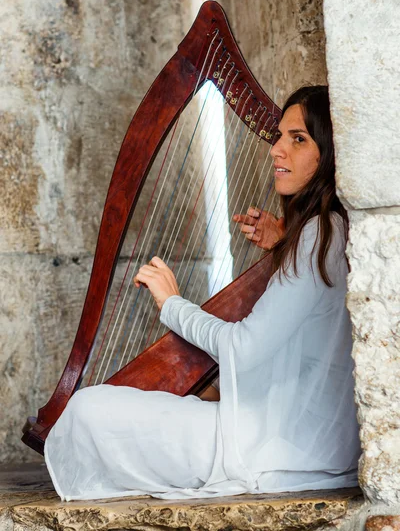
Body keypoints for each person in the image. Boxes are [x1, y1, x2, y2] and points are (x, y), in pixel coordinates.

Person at [44, 85, 361, 502]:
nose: (276, 150)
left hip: (276, 450)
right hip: (306, 439)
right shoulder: (329, 232)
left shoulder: (319, 235)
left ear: (330, 153)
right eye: (279, 136)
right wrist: (285, 242)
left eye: (298, 139)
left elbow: (243, 348)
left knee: (86, 410)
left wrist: (172, 303)